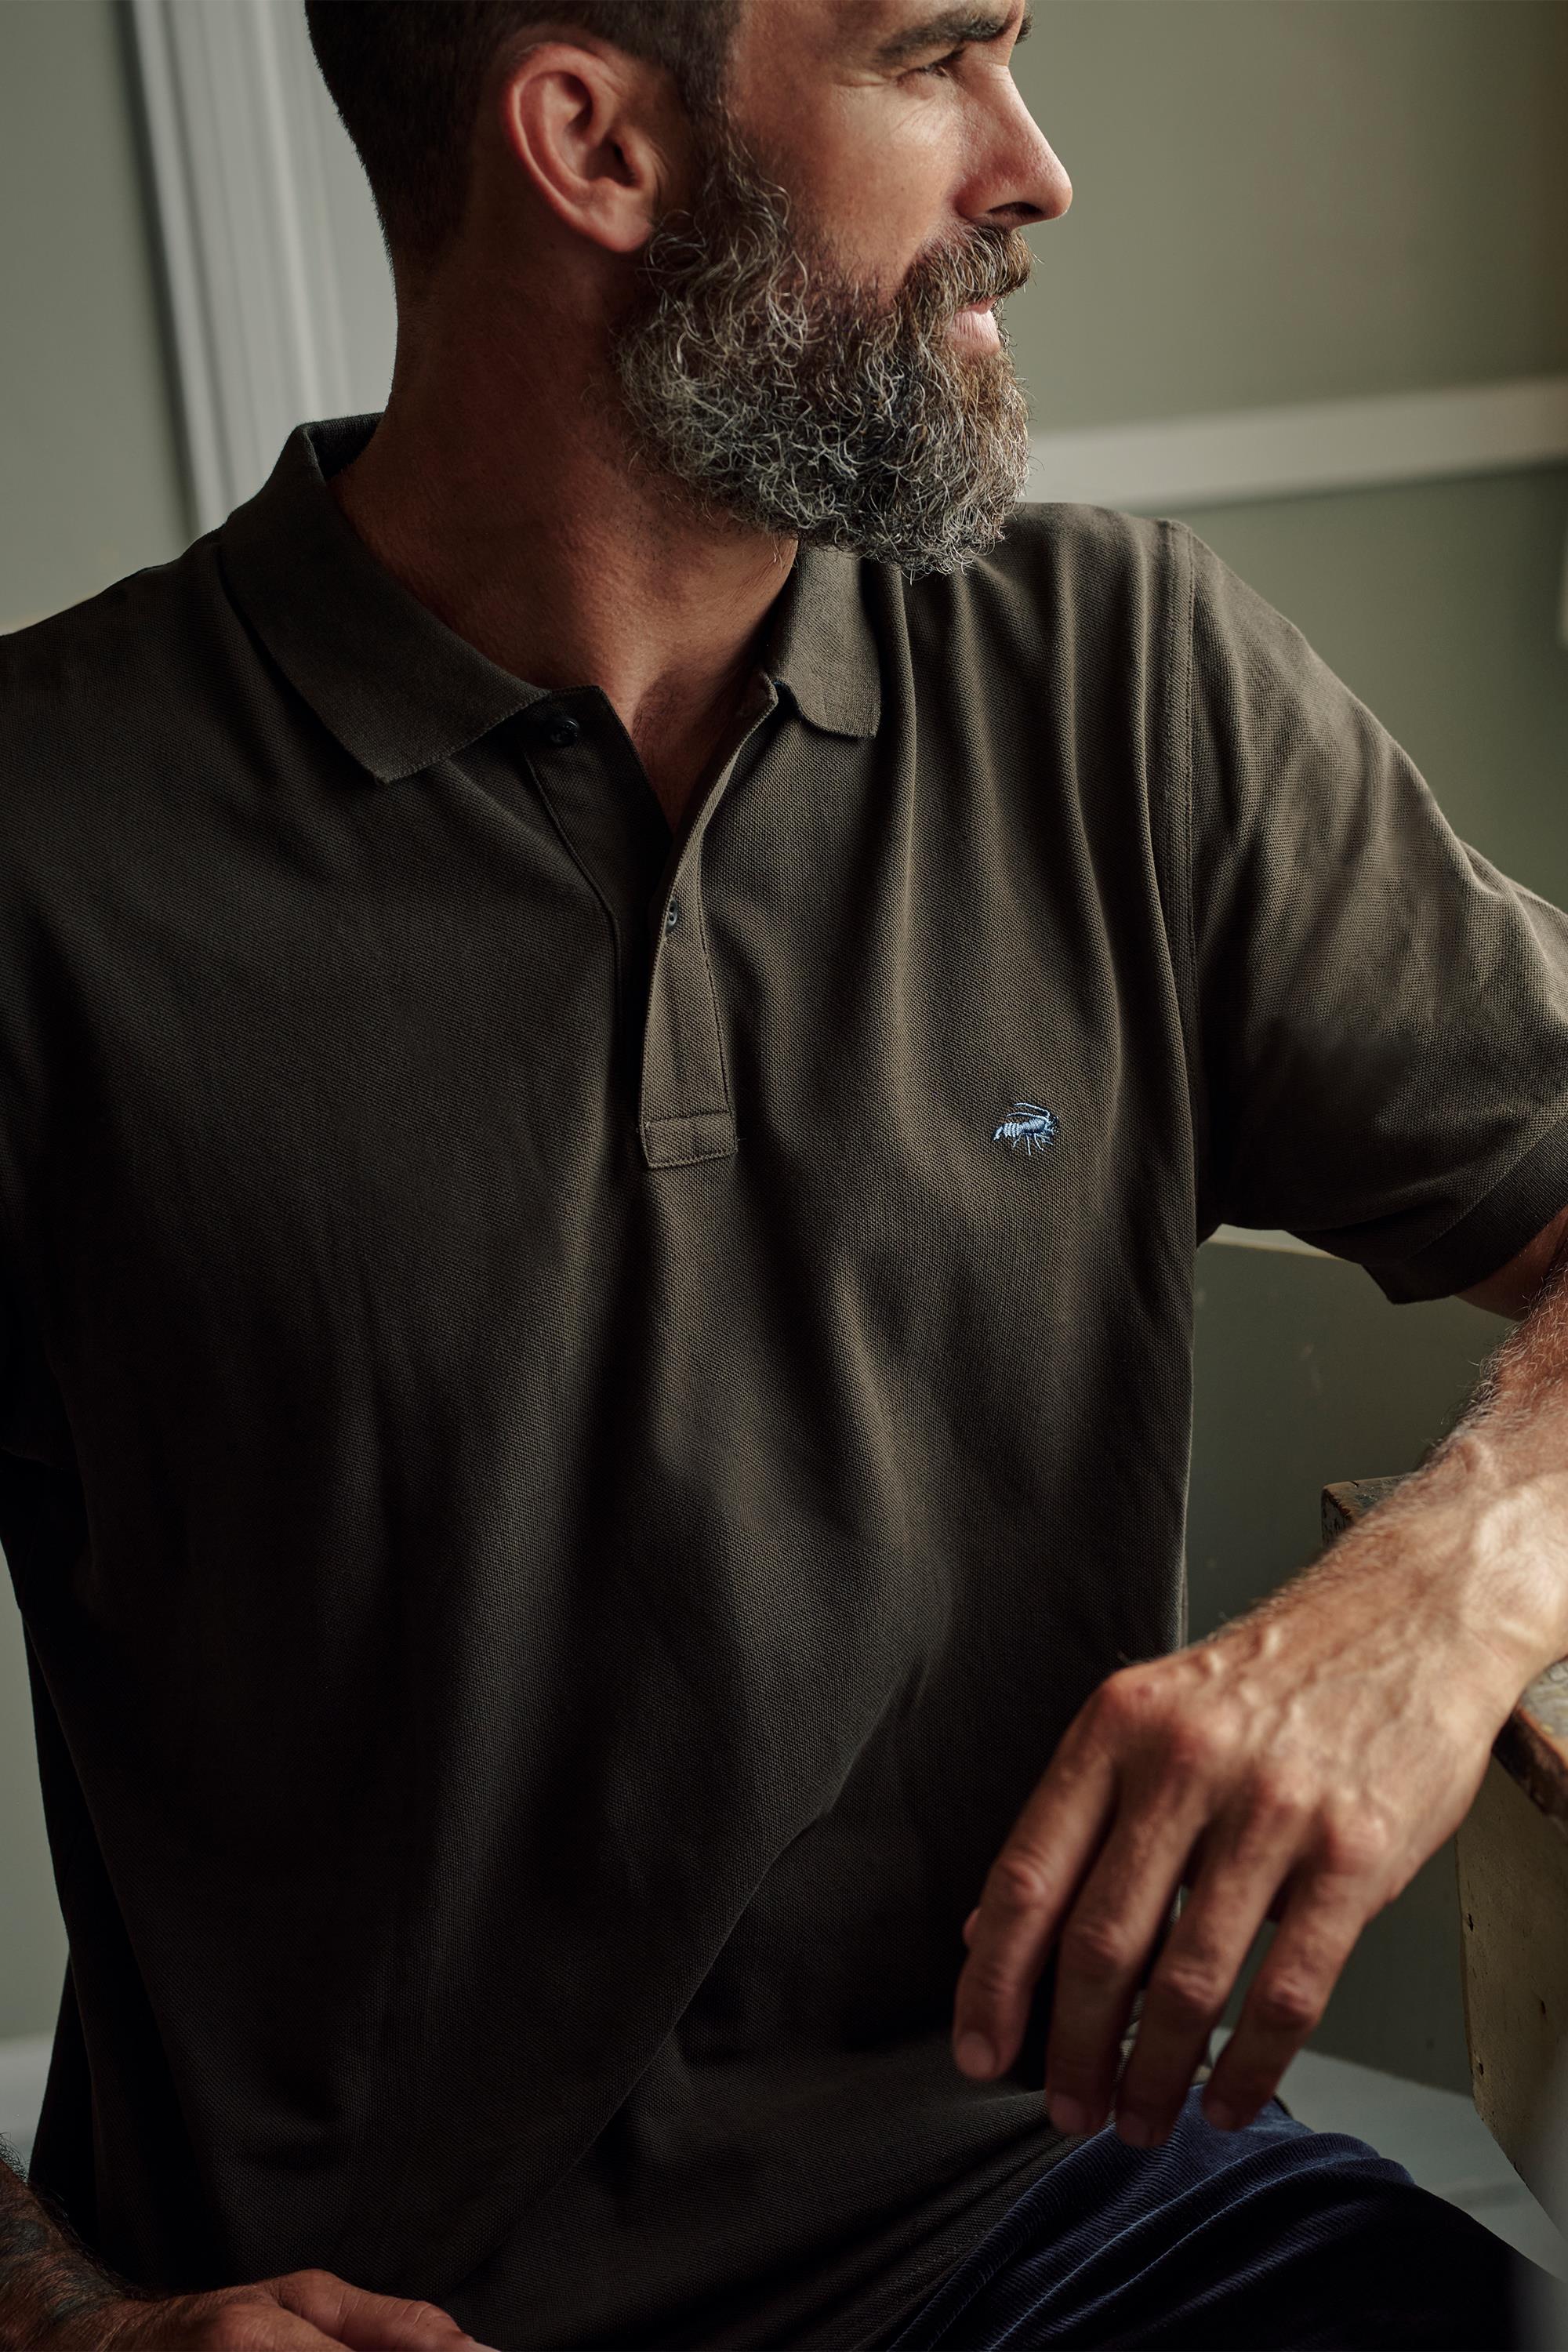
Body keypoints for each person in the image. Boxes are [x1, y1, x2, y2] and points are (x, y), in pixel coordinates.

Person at [2, 1, 1565, 2345]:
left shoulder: (1126, 688)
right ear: (597, 144)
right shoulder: (45, 843)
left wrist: (1462, 1570)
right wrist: (68, 2324)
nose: (1034, 171)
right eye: (936, 56)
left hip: (1064, 2238)